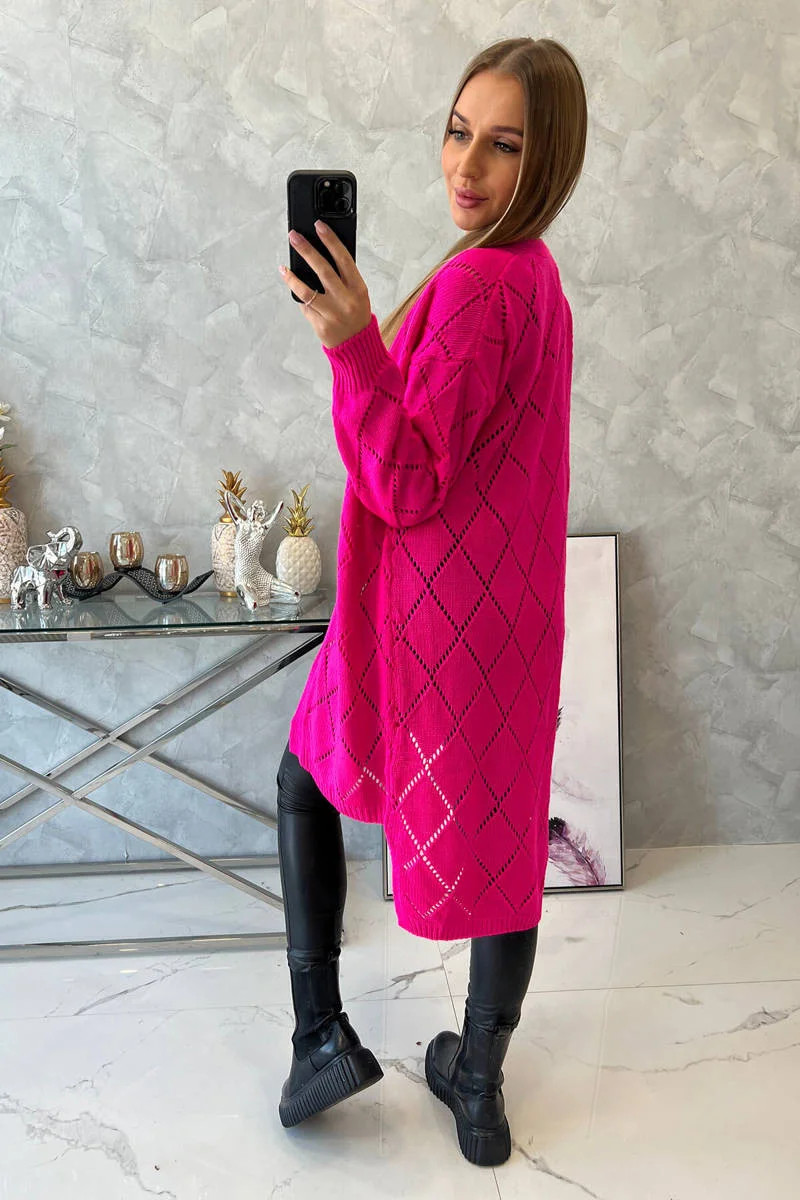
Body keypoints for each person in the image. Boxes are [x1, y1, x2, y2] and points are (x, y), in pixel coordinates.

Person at [274, 35, 586, 1167]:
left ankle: (319, 1034)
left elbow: (406, 479)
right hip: (508, 614)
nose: (466, 165)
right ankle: (479, 1085)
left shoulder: (476, 286)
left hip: (429, 616)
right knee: (504, 839)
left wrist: (352, 343)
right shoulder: (534, 276)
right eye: (459, 133)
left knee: (300, 779)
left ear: (548, 161)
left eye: (503, 146)